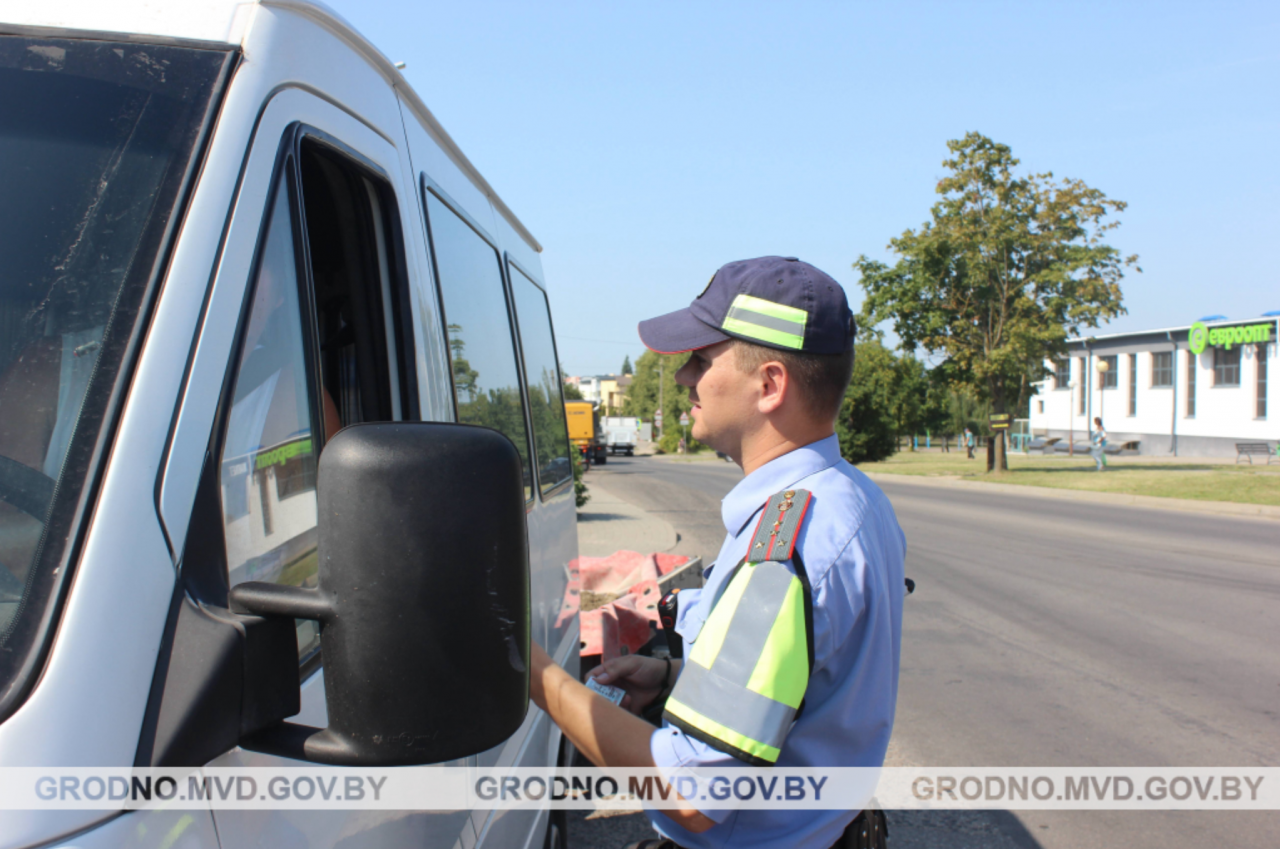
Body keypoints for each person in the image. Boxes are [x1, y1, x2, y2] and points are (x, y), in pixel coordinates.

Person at [527, 256, 906, 849]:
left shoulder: (783, 547)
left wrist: (533, 673)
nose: (683, 378)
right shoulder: (851, 498)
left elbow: (693, 797)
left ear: (770, 384)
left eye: (702, 360)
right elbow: (809, 683)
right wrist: (677, 676)